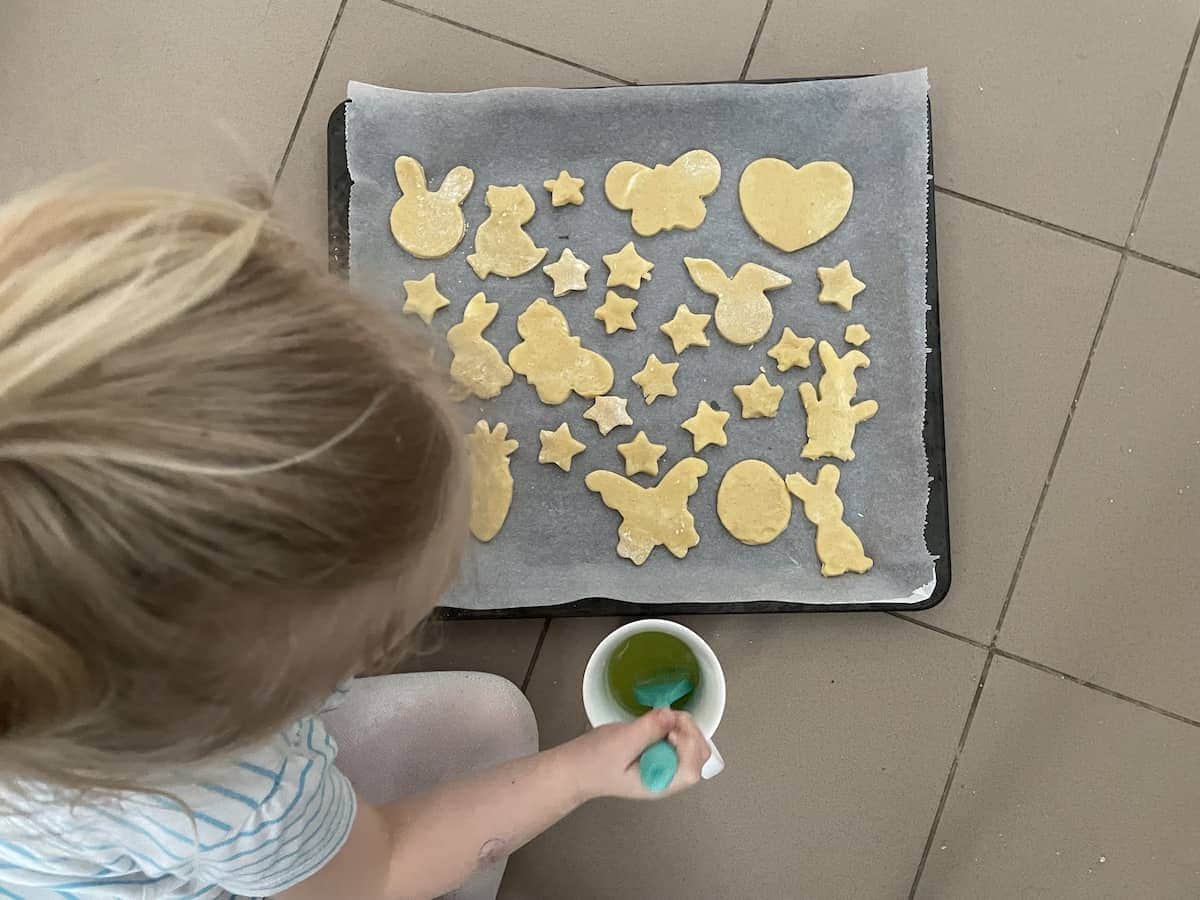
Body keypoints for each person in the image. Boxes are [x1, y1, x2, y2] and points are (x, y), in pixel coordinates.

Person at [0, 179, 710, 899]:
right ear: (248, 702)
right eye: (378, 636)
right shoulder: (240, 797)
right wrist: (578, 772)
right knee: (494, 719)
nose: (394, 642)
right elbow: (379, 873)